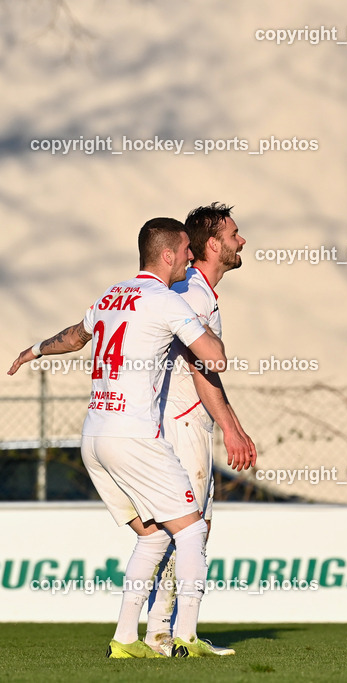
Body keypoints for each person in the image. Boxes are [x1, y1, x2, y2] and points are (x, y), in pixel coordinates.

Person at [8, 218, 230, 658]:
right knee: (191, 531)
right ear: (167, 254)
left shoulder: (111, 295)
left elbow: (75, 337)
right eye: (186, 249)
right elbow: (216, 358)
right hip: (134, 436)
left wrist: (33, 350)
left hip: (94, 435)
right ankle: (186, 637)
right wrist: (200, 323)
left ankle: (126, 640)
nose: (191, 256)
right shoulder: (167, 300)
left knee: (153, 536)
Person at [144, 203, 258, 656]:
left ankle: (165, 632)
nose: (241, 240)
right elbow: (199, 367)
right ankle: (168, 633)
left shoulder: (200, 292)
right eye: (234, 234)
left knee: (191, 530)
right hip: (181, 424)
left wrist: (233, 425)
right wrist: (231, 429)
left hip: (190, 422)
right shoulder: (191, 293)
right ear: (212, 244)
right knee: (187, 531)